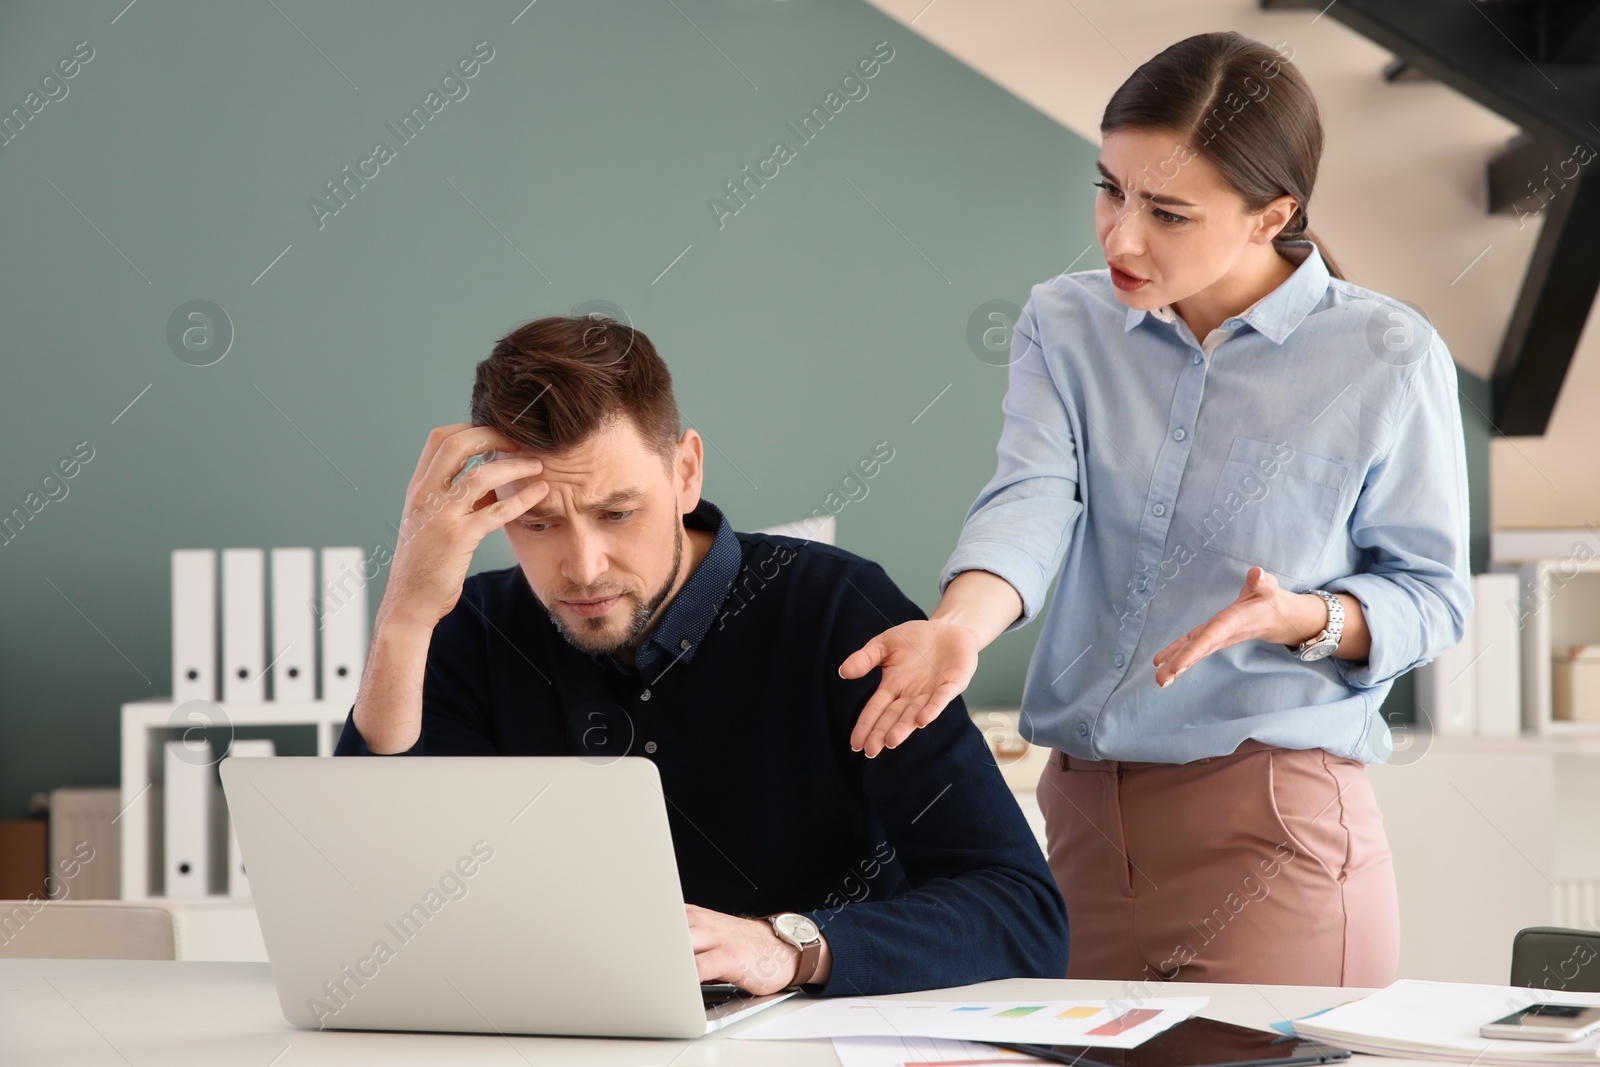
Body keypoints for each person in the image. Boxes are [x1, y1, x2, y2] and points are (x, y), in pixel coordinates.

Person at [841, 30, 1472, 987]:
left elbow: (1432, 596)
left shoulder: (1385, 352)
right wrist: (960, 628)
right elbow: (1035, 494)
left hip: (1275, 828)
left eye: (1168, 212)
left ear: (1274, 214)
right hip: (1083, 822)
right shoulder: (1065, 322)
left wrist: (1302, 617)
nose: (1120, 236)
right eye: (1110, 189)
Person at [333, 314, 1069, 998]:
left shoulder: (838, 612)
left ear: (686, 471)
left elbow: (1022, 916)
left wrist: (790, 949)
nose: (583, 566)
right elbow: (372, 905)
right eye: (538, 523)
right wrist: (404, 613)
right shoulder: (469, 631)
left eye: (618, 512)